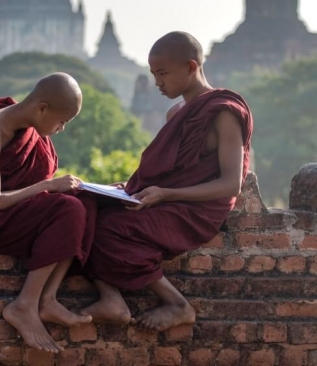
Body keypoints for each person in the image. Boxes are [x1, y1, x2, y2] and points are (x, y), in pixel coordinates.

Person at [81, 31, 253, 332]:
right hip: (168, 199)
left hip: (197, 209)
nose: (157, 83)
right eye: (153, 74)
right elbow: (166, 171)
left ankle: (177, 304)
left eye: (163, 74)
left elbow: (231, 184)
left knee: (110, 230)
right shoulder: (176, 112)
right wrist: (125, 191)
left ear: (190, 67)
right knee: (85, 211)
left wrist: (167, 194)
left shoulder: (223, 111)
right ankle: (111, 298)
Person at [0, 73, 98, 353]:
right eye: (62, 121)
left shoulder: (29, 128)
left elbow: (33, 189)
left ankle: (47, 299)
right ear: (42, 108)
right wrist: (49, 185)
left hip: (11, 213)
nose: (61, 129)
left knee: (86, 201)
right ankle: (24, 305)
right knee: (68, 208)